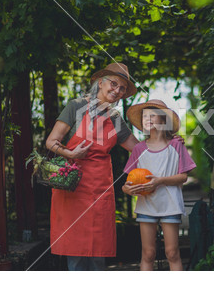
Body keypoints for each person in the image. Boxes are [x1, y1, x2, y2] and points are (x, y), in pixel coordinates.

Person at [45, 62, 140, 271]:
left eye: (122, 88)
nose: (117, 90)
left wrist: (165, 141)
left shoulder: (115, 118)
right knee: (76, 252)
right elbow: (51, 141)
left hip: (99, 187)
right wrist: (70, 153)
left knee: (98, 252)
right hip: (72, 186)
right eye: (114, 84)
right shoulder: (76, 106)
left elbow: (137, 149)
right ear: (100, 82)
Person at [122, 99, 196, 271]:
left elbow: (183, 177)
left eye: (152, 115)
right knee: (148, 254)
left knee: (172, 253)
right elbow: (128, 182)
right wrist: (127, 189)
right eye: (144, 116)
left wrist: (160, 181)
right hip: (146, 205)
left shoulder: (176, 145)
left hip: (170, 204)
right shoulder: (139, 149)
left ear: (164, 121)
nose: (147, 119)